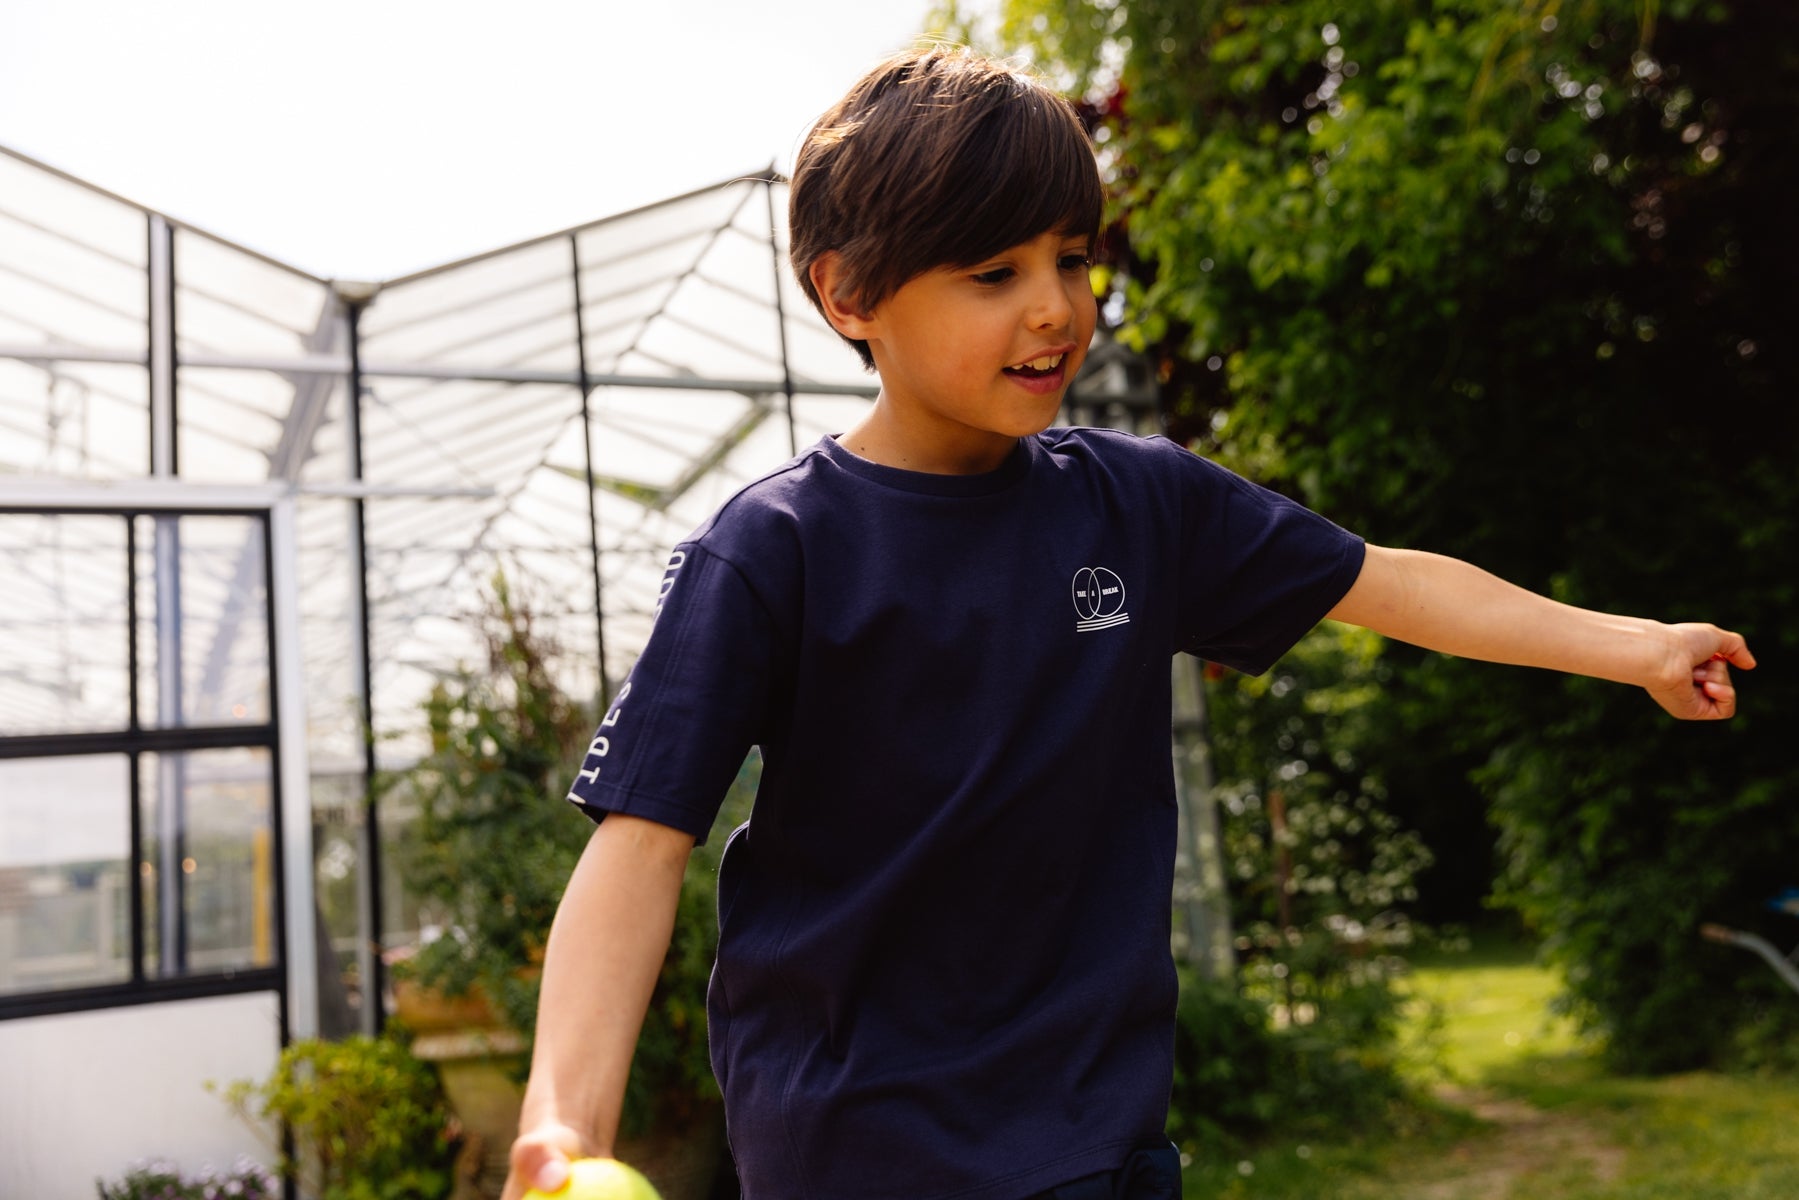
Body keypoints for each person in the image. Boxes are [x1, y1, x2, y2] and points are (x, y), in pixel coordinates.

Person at [504, 46, 1752, 1200]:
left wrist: (1631, 646)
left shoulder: (1138, 503)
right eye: (994, 273)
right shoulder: (772, 550)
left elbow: (1384, 580)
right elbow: (638, 847)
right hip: (856, 1146)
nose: (1053, 307)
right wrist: (565, 1123)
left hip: (1094, 1142)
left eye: (1071, 258)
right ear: (848, 295)